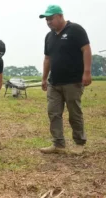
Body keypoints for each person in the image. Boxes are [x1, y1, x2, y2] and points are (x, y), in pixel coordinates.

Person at [39, 5, 92, 154]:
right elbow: (47, 58)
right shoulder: (49, 36)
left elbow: (86, 50)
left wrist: (87, 72)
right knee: (53, 113)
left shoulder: (76, 30)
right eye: (46, 19)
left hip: (73, 81)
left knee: (74, 112)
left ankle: (79, 143)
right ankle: (58, 144)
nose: (48, 22)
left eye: (51, 18)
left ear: (60, 16)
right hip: (54, 82)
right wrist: (44, 78)